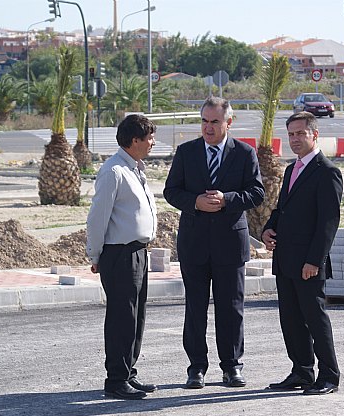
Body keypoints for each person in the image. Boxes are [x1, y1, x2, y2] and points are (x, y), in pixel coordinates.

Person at [163, 96, 265, 389]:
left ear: (228, 123)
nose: (208, 127)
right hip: (194, 243)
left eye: (215, 122)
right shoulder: (186, 152)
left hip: (230, 244)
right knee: (195, 308)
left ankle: (232, 366)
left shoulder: (245, 154)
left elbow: (257, 193)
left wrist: (227, 200)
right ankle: (196, 367)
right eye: (205, 121)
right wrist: (194, 202)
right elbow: (171, 191)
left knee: (231, 308)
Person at [262, 111, 343, 396]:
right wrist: (268, 230)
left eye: (300, 134)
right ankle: (302, 371)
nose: (295, 139)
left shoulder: (327, 171)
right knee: (291, 320)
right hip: (285, 259)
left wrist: (314, 261)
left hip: (308, 263)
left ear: (314, 135)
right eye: (291, 134)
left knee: (315, 319)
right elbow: (281, 209)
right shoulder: (291, 170)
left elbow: (328, 222)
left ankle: (329, 376)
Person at [86, 114, 158, 400]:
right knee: (121, 318)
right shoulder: (113, 171)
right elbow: (97, 218)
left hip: (138, 252)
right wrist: (95, 253)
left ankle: (128, 372)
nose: (153, 142)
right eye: (149, 137)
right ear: (134, 140)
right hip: (119, 254)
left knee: (136, 317)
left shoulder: (135, 168)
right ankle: (116, 379)